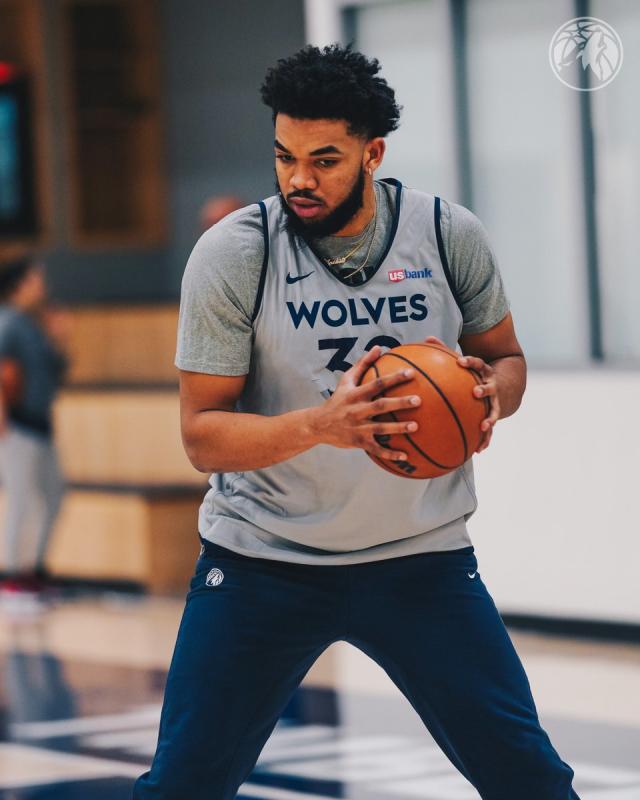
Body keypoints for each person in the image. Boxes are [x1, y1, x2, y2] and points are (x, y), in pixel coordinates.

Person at [134, 45, 580, 799]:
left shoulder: (446, 234)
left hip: (419, 559)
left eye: (324, 159)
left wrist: (487, 393)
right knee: (182, 787)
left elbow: (506, 360)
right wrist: (322, 426)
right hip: (262, 562)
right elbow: (201, 433)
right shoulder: (236, 255)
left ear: (373, 152)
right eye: (284, 157)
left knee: (530, 780)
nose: (298, 179)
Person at [0, 255, 68, 607]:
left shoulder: (34, 324)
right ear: (20, 285)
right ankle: (11, 577)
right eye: (35, 278)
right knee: (21, 501)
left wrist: (59, 339)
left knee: (53, 496)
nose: (42, 284)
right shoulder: (8, 323)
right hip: (17, 425)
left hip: (42, 424)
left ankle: (34, 571)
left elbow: (57, 374)